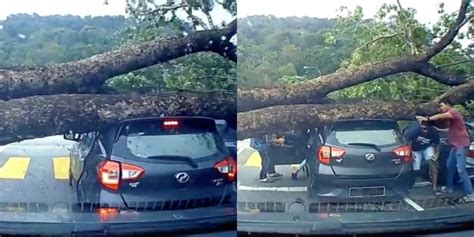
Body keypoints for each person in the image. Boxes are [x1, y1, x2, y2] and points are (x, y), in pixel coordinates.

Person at [416, 98, 474, 202]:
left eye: (442, 106)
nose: (441, 108)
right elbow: (451, 129)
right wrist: (439, 130)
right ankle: (449, 188)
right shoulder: (452, 118)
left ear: (448, 104)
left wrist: (427, 119)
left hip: (461, 145)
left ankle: (470, 194)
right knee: (449, 166)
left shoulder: (453, 112)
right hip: (454, 146)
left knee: (461, 170)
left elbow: (441, 116)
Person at [404, 120, 441, 195]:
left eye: (427, 129)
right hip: (415, 149)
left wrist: (436, 153)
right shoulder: (413, 130)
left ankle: (434, 188)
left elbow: (437, 144)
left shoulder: (434, 132)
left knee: (433, 166)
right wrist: (410, 152)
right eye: (423, 129)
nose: (425, 131)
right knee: (416, 168)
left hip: (427, 148)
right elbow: (406, 141)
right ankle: (410, 185)